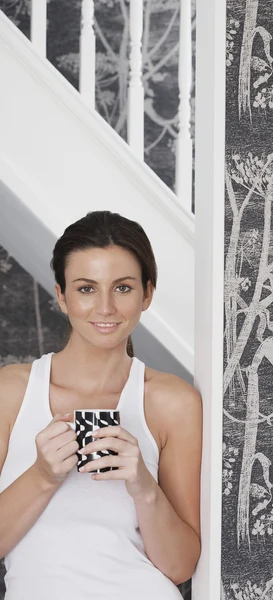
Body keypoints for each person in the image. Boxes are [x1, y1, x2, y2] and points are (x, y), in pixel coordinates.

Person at [0, 211, 202, 600]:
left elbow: (179, 567)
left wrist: (144, 487)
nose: (106, 308)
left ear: (147, 294)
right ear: (61, 295)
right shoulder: (11, 391)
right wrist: (43, 475)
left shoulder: (173, 402)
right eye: (87, 288)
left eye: (123, 288)